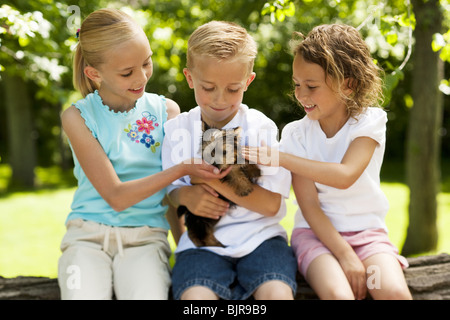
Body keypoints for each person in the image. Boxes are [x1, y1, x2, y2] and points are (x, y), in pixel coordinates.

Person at [58, 8, 227, 300]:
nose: (142, 77)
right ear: (94, 73)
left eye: (146, 63)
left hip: (146, 238)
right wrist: (181, 168)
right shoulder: (77, 117)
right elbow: (116, 196)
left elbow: (173, 195)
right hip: (86, 238)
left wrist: (187, 248)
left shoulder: (167, 112)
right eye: (127, 72)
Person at [243, 24, 412, 300]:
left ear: (349, 84)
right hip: (316, 237)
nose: (301, 95)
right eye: (297, 84)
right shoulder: (296, 134)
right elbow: (308, 205)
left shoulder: (369, 123)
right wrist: (345, 256)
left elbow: (344, 175)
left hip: (368, 237)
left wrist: (282, 158)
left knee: (392, 291)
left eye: (312, 86)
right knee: (338, 295)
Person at [161, 21, 298, 300]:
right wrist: (187, 193)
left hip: (261, 239)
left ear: (248, 82)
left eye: (233, 89)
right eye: (208, 87)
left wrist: (207, 179)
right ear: (189, 78)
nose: (220, 100)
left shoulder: (261, 128)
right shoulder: (177, 131)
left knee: (277, 294)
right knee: (195, 300)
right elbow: (171, 193)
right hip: (202, 246)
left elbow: (272, 205)